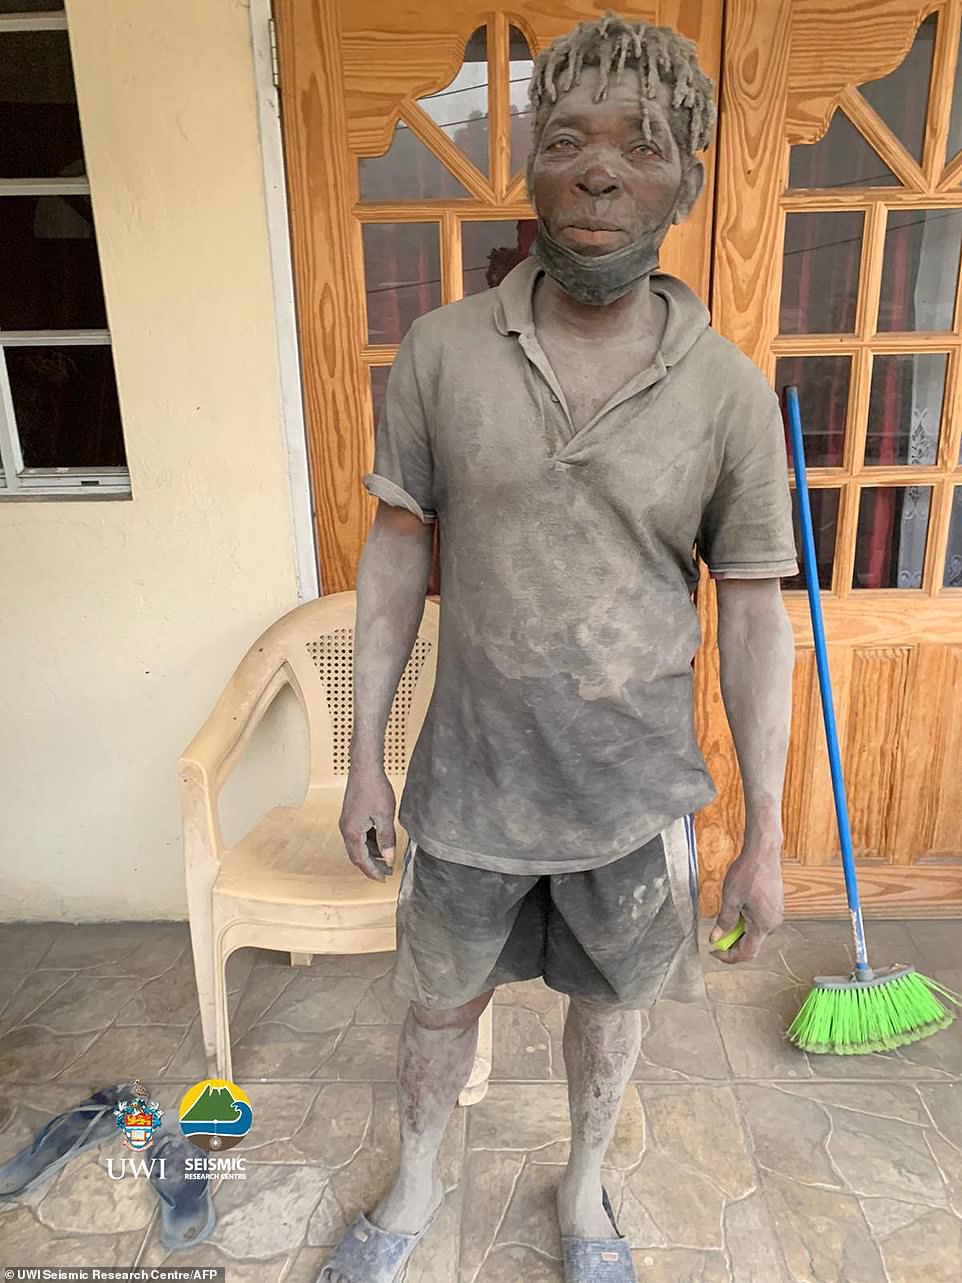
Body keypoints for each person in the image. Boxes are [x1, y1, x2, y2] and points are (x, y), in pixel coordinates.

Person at [320, 13, 797, 1283]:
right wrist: (363, 759)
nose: (599, 171)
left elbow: (753, 610)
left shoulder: (727, 396)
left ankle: (582, 1191)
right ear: (529, 167)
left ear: (683, 183)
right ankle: (417, 1180)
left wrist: (764, 828)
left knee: (612, 1010)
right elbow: (392, 561)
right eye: (570, 141)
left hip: (631, 801)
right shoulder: (438, 353)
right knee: (435, 1002)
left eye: (639, 149)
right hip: (466, 789)